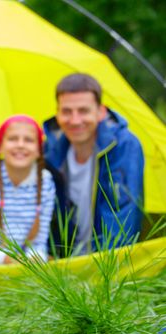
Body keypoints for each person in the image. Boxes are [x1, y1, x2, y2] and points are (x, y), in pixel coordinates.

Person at [44, 73, 144, 255]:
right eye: (66, 111)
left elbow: (123, 218)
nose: (75, 120)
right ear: (57, 113)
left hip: (107, 264)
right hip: (63, 265)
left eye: (83, 111)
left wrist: (103, 274)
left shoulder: (123, 146)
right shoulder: (51, 150)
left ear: (101, 112)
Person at [0, 115, 55, 264]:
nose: (20, 145)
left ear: (39, 150)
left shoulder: (45, 182)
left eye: (29, 140)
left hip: (26, 263)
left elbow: (39, 242)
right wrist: (10, 261)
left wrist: (33, 260)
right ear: (0, 147)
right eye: (12, 139)